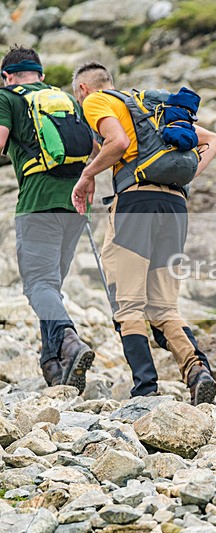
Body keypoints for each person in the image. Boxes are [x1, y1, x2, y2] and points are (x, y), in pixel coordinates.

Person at [69, 62, 216, 404]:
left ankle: (145, 388)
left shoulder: (96, 101)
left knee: (128, 305)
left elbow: (118, 142)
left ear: (82, 89)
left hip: (136, 204)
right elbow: (214, 141)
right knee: (164, 307)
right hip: (175, 206)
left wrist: (87, 176)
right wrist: (187, 175)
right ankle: (197, 372)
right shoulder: (151, 107)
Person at [0, 45, 95, 391]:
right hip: (76, 206)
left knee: (38, 284)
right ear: (40, 74)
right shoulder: (66, 100)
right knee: (49, 286)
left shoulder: (7, 98)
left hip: (38, 203)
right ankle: (54, 367)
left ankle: (69, 341)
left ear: (7, 77)